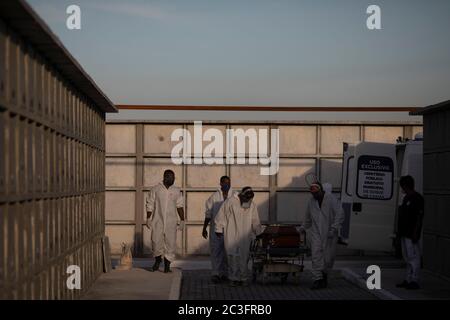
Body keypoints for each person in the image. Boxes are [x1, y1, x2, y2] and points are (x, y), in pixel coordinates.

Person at [214, 187, 263, 287]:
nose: (247, 201)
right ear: (241, 195)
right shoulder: (230, 202)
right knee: (232, 256)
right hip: (231, 234)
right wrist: (218, 229)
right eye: (245, 199)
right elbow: (221, 216)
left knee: (244, 257)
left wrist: (258, 233)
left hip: (245, 235)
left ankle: (243, 278)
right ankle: (233, 278)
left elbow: (255, 220)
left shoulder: (251, 205)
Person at [304, 182, 344, 289]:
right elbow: (308, 218)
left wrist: (334, 228)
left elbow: (340, 214)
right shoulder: (311, 202)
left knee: (328, 258)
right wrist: (303, 228)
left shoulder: (331, 199)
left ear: (321, 190)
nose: (315, 196)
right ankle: (317, 279)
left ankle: (324, 276)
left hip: (329, 233)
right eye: (313, 194)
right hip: (316, 233)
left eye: (316, 193)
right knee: (316, 256)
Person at [146, 170, 184, 273]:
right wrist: (148, 218)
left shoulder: (176, 190)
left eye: (173, 177)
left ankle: (167, 266)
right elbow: (150, 204)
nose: (172, 179)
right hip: (157, 220)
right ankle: (158, 261)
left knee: (170, 243)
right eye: (169, 177)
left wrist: (182, 220)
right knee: (156, 241)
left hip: (171, 222)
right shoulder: (156, 189)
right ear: (165, 177)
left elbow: (179, 205)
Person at [202, 176, 234, 284]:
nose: (226, 185)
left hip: (230, 229)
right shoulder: (214, 197)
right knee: (216, 251)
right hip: (215, 230)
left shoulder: (235, 195)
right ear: (220, 183)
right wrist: (204, 228)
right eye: (224, 183)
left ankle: (225, 274)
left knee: (227, 252)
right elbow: (208, 214)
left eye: (228, 183)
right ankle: (216, 274)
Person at [396, 175, 424, 290]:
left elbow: (419, 217)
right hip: (404, 233)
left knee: (414, 257)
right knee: (407, 258)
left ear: (406, 186)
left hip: (411, 234)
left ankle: (415, 280)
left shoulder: (417, 198)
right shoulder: (406, 198)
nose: (401, 189)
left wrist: (415, 233)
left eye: (402, 186)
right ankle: (408, 279)